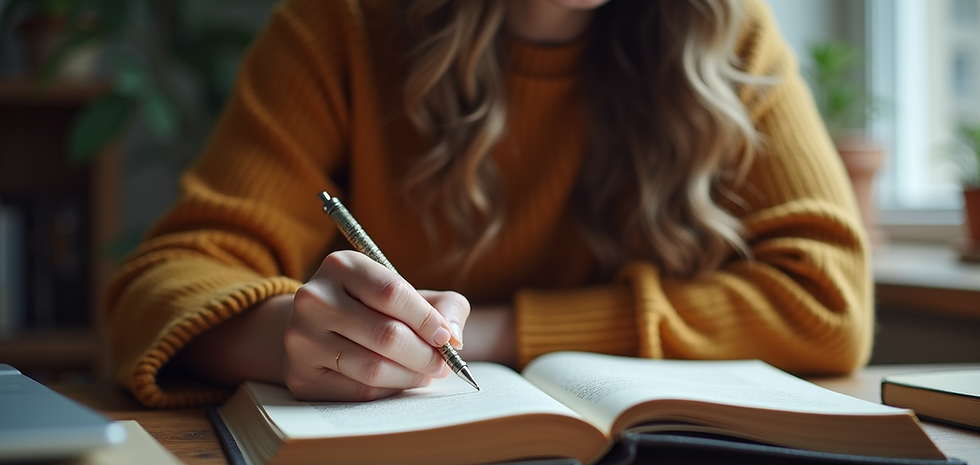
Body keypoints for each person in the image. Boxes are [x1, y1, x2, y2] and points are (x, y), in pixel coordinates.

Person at [105, 0, 873, 408]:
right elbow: (158, 286)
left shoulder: (725, 32)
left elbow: (827, 300)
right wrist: (288, 336)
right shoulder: (339, 27)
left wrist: (502, 331)